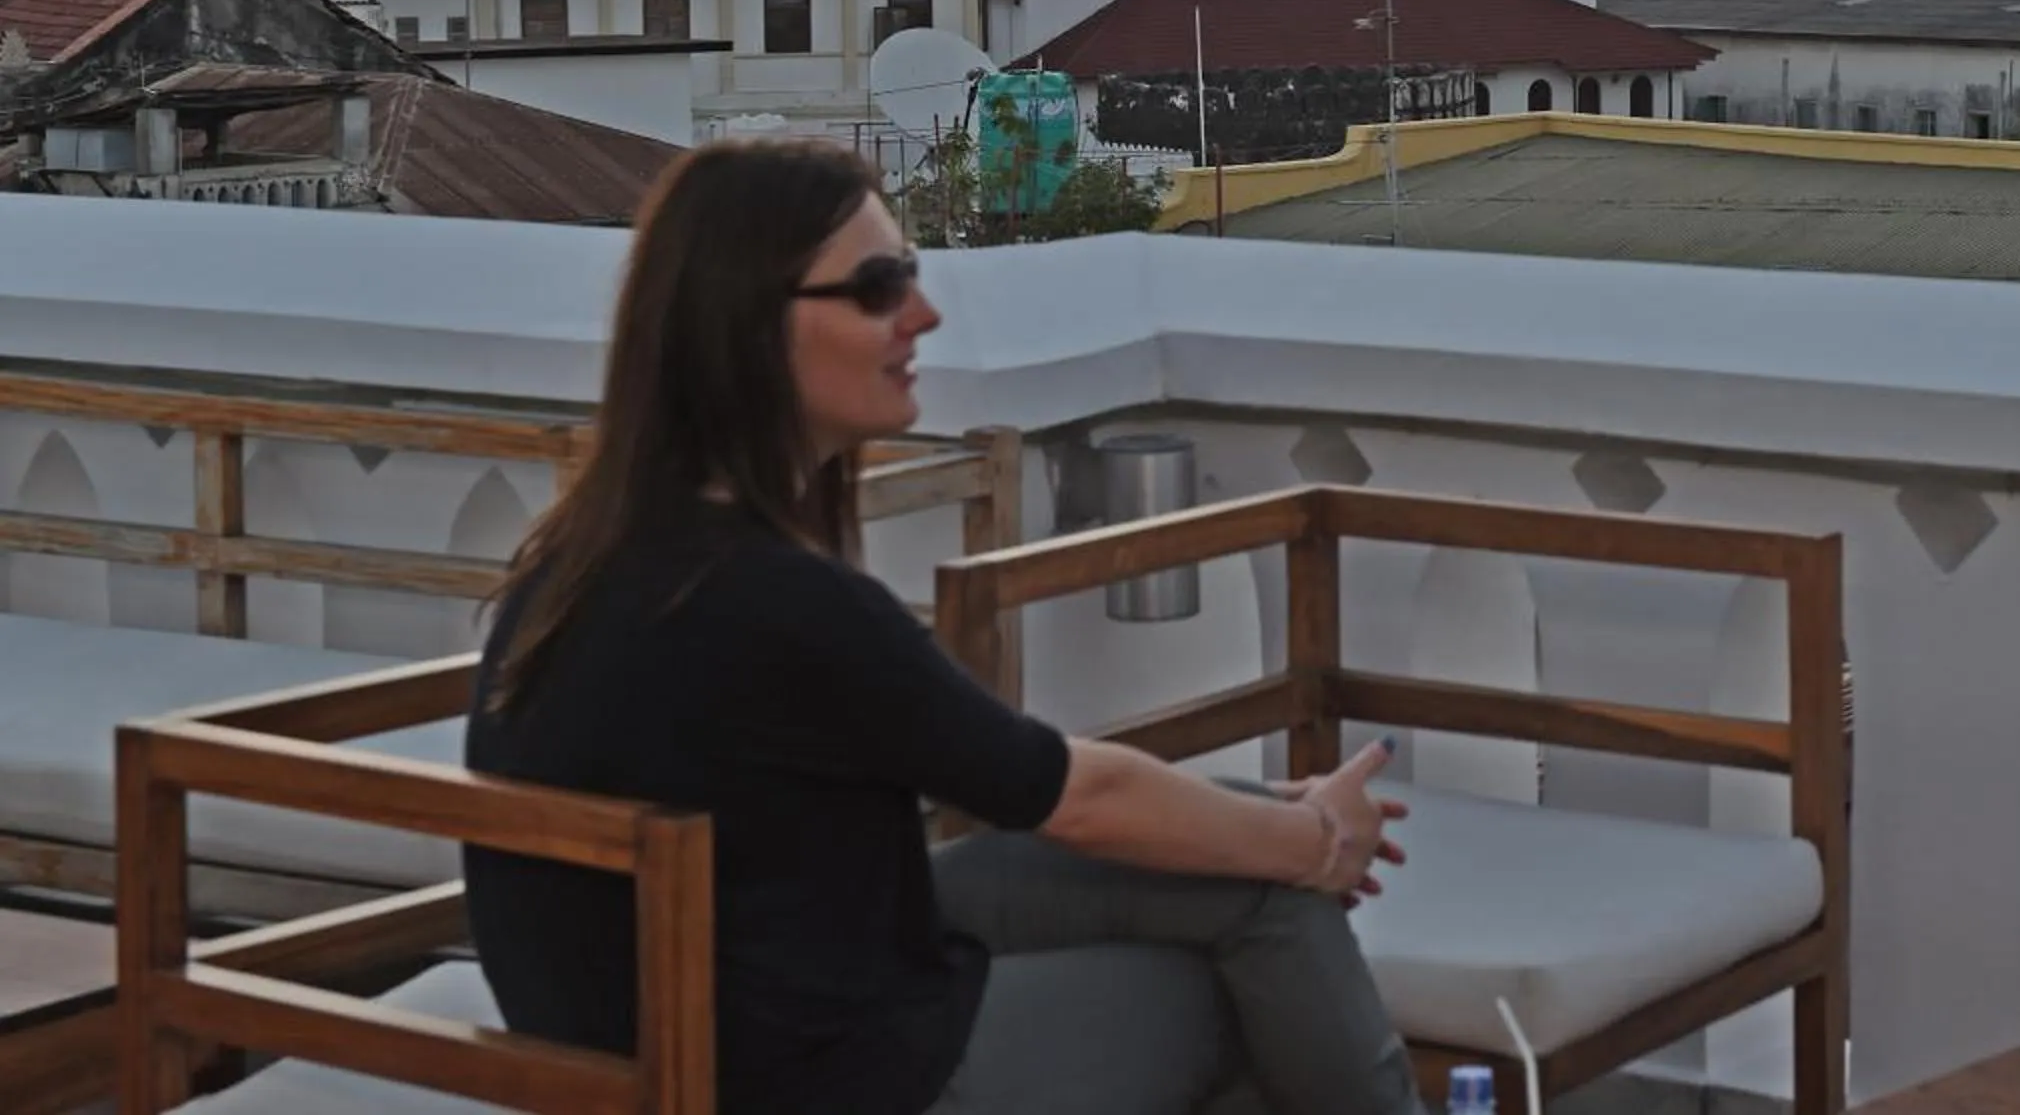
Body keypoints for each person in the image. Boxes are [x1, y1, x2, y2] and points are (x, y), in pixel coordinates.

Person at [464, 140, 1425, 1115]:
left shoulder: (575, 563)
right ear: (749, 324)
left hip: (708, 1017)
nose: (922, 315)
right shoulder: (777, 601)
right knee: (1243, 977)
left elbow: (1044, 784)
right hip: (812, 1077)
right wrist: (1307, 842)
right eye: (880, 286)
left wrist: (1287, 831)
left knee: (1244, 863)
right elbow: (1072, 796)